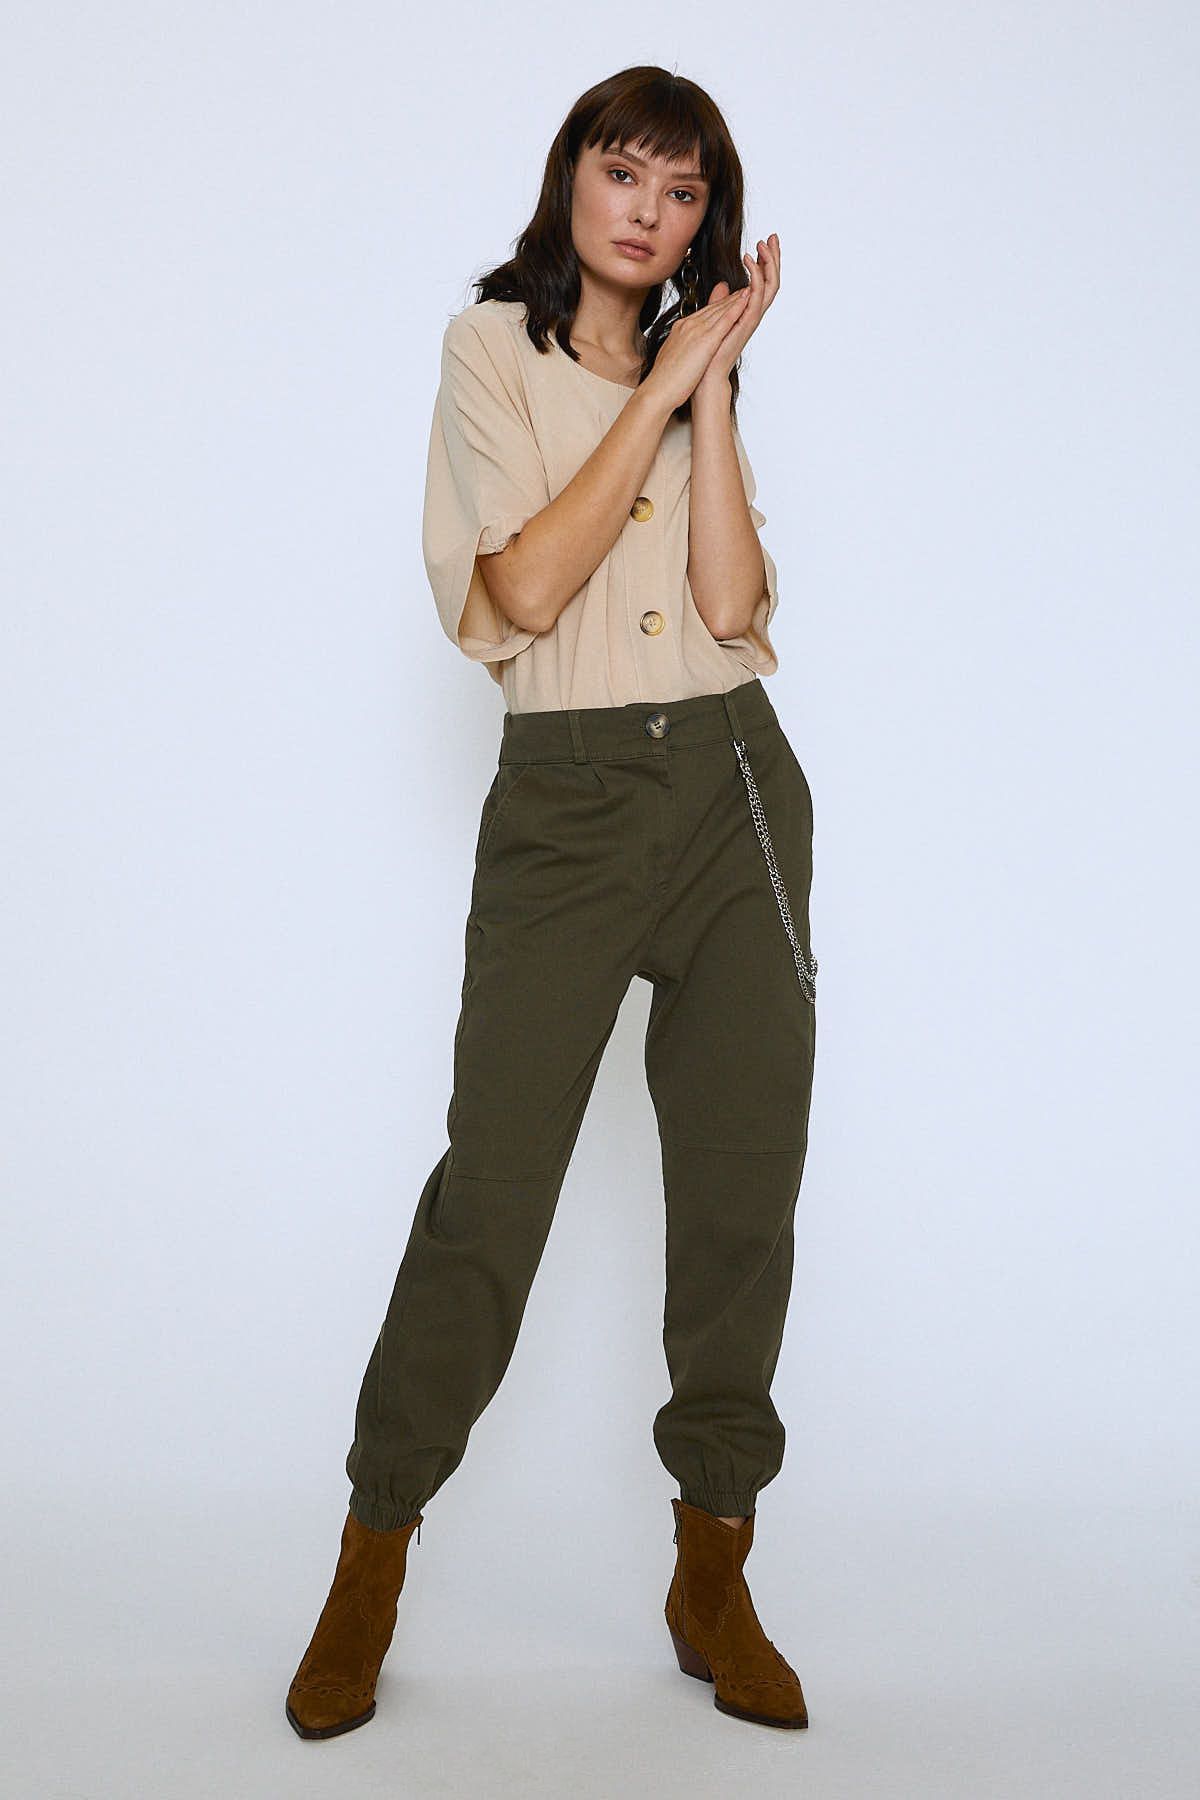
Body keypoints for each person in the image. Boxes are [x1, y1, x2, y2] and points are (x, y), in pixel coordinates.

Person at [285, 64, 817, 1738]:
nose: (647, 211)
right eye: (623, 171)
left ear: (705, 221)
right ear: (571, 177)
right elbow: (515, 589)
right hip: (568, 807)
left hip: (732, 791)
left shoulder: (693, 370)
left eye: (681, 190)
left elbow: (728, 604)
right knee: (494, 1192)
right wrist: (654, 399)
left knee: (741, 1192)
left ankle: (714, 1563)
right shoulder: (490, 353)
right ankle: (372, 1554)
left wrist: (706, 387)